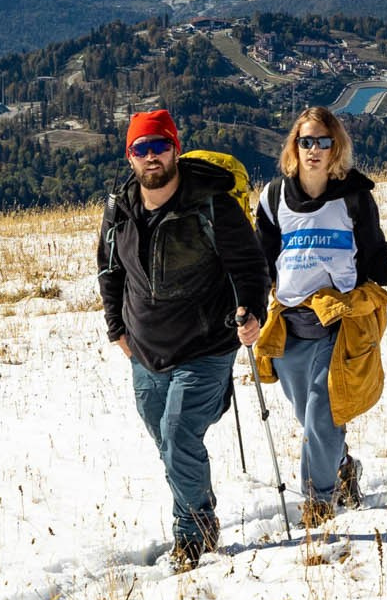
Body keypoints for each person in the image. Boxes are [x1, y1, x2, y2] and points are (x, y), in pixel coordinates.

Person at [96, 109, 270, 571]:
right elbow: (109, 271)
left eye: (160, 146)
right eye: (141, 148)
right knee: (168, 442)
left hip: (206, 345)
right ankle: (200, 505)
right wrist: (116, 328)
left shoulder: (213, 204)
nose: (151, 156)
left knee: (177, 435)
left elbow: (250, 267)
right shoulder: (119, 209)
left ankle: (193, 532)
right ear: (130, 156)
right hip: (145, 349)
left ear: (176, 149)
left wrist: (253, 310)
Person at [252, 107, 387, 527]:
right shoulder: (273, 197)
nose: (314, 149)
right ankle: (343, 465)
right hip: (290, 325)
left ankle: (319, 504)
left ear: (335, 147)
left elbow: (373, 255)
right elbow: (261, 262)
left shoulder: (354, 197)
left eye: (323, 142)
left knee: (321, 418)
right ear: (295, 146)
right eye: (306, 141)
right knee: (308, 420)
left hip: (339, 322)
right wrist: (246, 306)